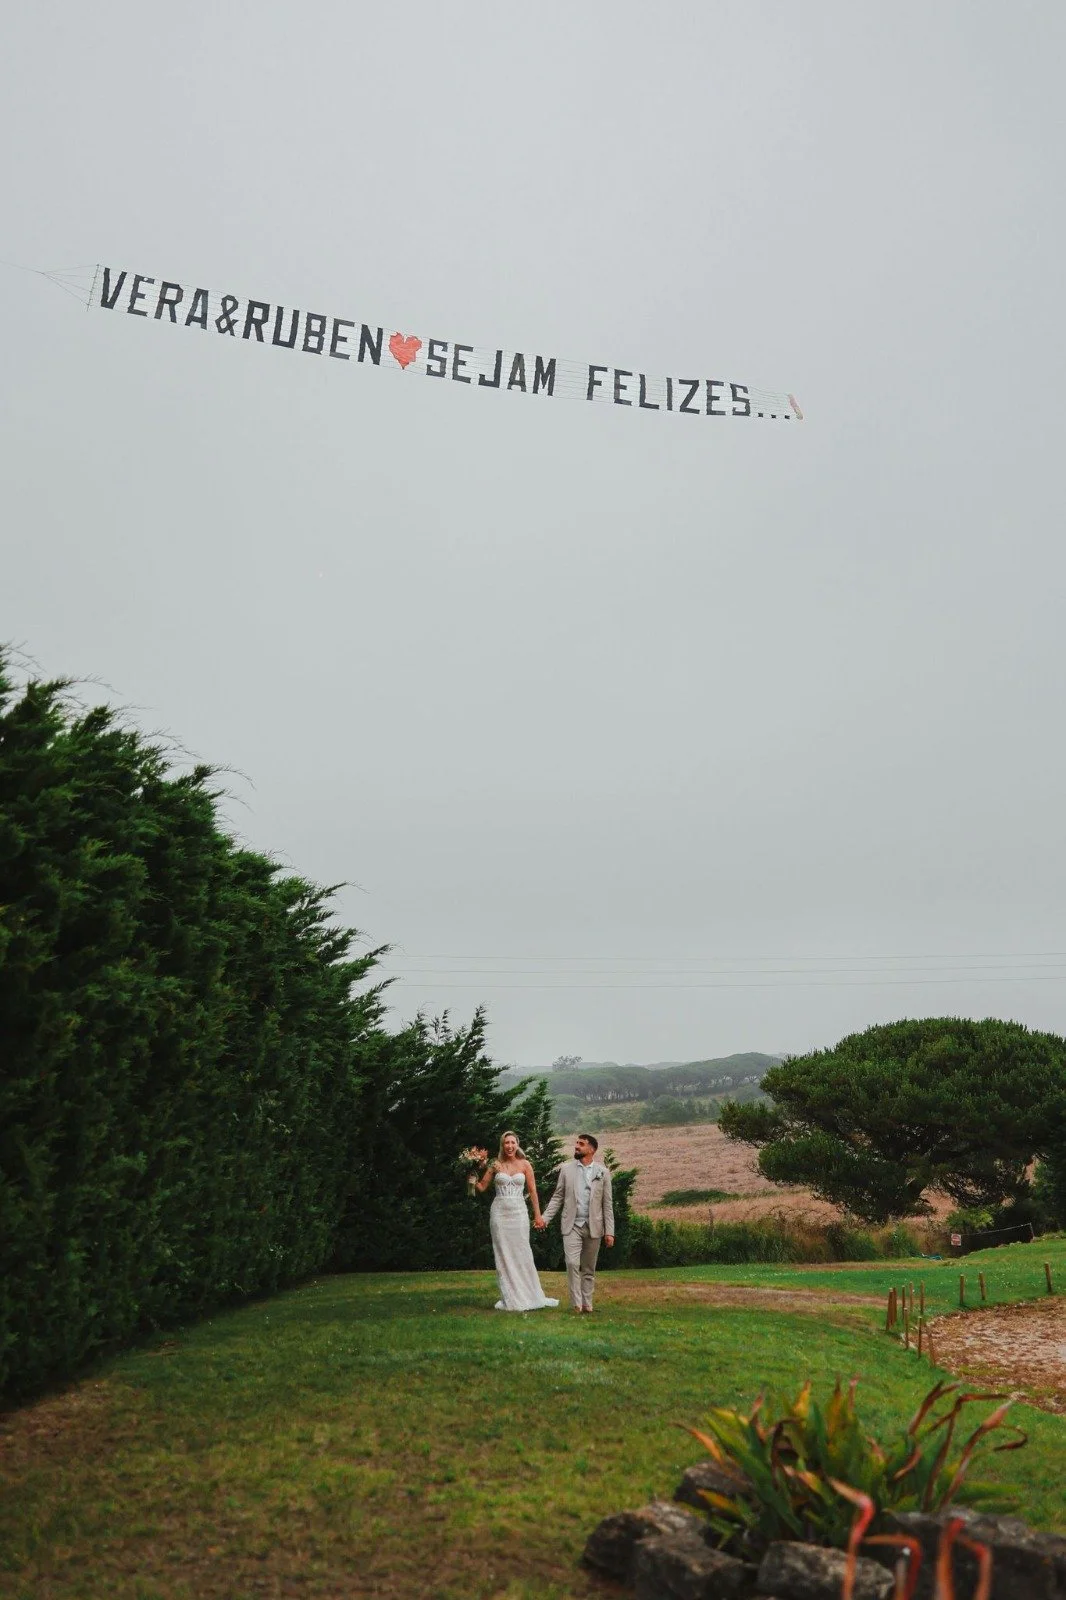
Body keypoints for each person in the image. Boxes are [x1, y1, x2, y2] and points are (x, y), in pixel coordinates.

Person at [474, 1132, 559, 1312]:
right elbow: (481, 1187)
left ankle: (529, 1294)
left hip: (519, 1213)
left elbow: (533, 1191)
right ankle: (511, 1296)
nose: (510, 1146)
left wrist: (538, 1216)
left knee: (523, 1252)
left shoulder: (525, 1164)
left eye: (513, 1142)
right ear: (502, 1145)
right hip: (499, 1214)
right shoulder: (495, 1165)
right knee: (504, 1253)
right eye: (507, 1143)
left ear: (517, 1144)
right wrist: (471, 1172)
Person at [535, 1133, 614, 1313]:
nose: (576, 1146)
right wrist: (545, 1219)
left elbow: (607, 1205)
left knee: (588, 1268)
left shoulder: (603, 1173)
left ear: (592, 1149)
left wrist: (610, 1232)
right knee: (571, 1263)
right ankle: (576, 1304)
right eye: (576, 1143)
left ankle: (587, 1303)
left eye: (581, 1144)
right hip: (571, 1225)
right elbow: (557, 1197)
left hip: (594, 1226)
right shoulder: (566, 1169)